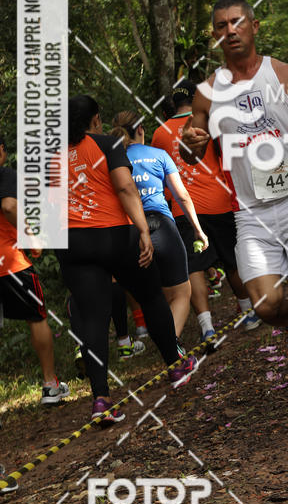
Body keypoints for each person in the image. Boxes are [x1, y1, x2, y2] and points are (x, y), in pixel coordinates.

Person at [181, 0, 288, 401]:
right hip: (250, 213)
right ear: (215, 36)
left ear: (254, 26)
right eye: (221, 26)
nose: (230, 31)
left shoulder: (283, 74)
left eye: (237, 22)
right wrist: (190, 141)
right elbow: (191, 150)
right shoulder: (207, 93)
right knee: (264, 306)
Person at [56, 96, 198, 426]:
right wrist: (144, 230)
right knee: (150, 295)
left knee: (92, 318)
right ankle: (174, 366)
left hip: (72, 244)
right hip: (114, 236)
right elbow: (125, 188)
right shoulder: (107, 144)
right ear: (94, 121)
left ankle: (101, 400)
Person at [151, 80, 261, 343]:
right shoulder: (212, 124)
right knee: (232, 260)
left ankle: (207, 327)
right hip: (219, 202)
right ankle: (248, 313)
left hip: (182, 209)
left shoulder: (160, 133)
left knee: (195, 268)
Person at [111, 111, 210, 355]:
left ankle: (166, 345)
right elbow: (182, 196)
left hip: (130, 233)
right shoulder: (158, 155)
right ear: (141, 130)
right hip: (162, 226)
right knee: (181, 292)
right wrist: (199, 231)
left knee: (151, 297)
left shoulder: (112, 161)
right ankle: (172, 344)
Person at [0, 133, 69, 405]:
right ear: (2, 151)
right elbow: (8, 205)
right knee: (37, 317)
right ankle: (50, 385)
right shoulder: (5, 173)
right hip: (11, 263)